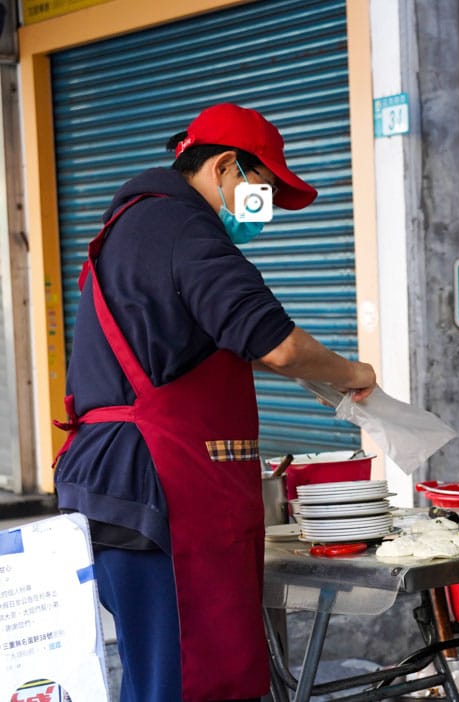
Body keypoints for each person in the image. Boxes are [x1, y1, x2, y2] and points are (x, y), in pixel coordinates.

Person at [53, 103, 377, 702]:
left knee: (162, 679)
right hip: (155, 487)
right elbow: (275, 343)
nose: (268, 208)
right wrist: (355, 373)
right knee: (184, 682)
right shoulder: (180, 225)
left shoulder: (135, 225)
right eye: (265, 189)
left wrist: (314, 376)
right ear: (226, 167)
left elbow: (208, 341)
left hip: (122, 486)